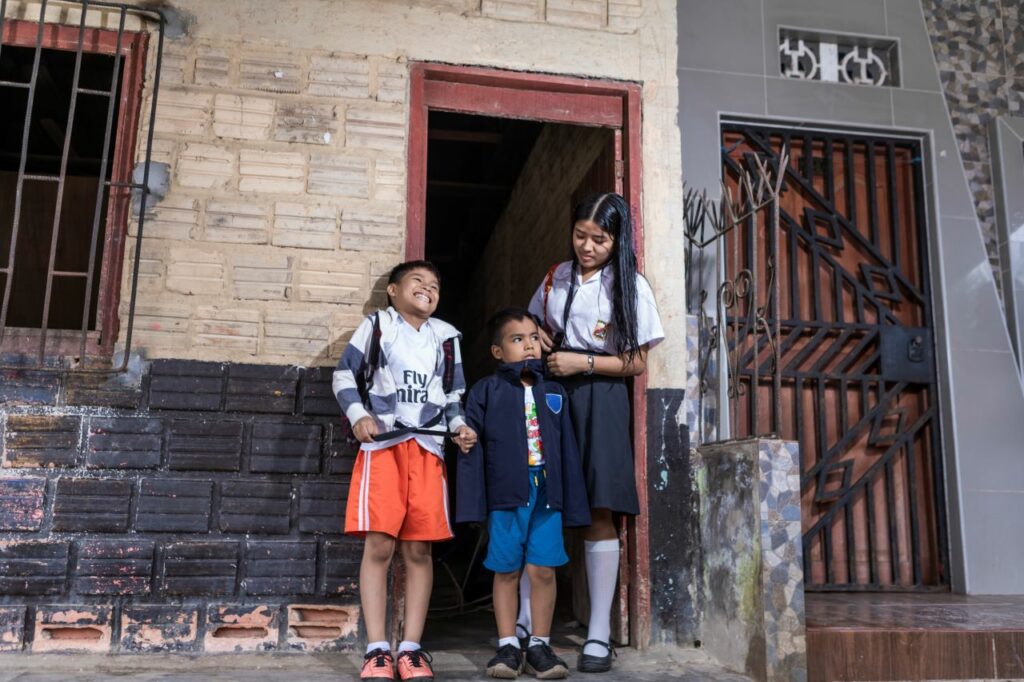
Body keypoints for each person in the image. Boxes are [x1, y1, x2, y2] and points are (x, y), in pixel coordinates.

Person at [525, 193, 664, 673]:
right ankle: (526, 621)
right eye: (580, 235)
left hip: (602, 396)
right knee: (543, 499)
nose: (587, 246)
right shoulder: (555, 277)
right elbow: (534, 328)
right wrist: (542, 341)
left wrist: (580, 360)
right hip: (554, 394)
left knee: (599, 507)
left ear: (617, 239)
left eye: (599, 239)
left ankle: (599, 634)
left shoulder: (630, 285)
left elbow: (638, 361)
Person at [333, 260, 478, 680]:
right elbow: (345, 374)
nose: (428, 289)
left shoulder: (446, 337)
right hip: (384, 447)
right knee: (379, 545)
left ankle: (411, 649)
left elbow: (453, 395)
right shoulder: (380, 326)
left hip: (428, 449)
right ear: (393, 291)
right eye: (418, 281)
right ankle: (377, 649)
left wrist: (460, 427)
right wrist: (359, 414)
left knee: (419, 549)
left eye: (435, 285)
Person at [457, 308, 590, 680]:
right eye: (518, 339)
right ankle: (508, 645)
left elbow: (568, 450)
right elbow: (472, 440)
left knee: (543, 569)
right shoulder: (486, 390)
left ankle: (540, 644)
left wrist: (573, 499)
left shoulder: (554, 392)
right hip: (506, 494)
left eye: (533, 337)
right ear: (498, 352)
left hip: (547, 494)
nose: (529, 344)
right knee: (506, 570)